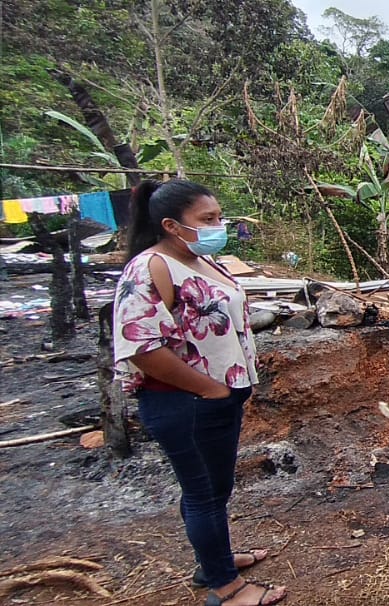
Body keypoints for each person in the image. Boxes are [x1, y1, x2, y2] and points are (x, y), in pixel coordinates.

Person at [112, 180, 285, 606]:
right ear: (171, 225)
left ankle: (214, 563)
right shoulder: (149, 268)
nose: (218, 225)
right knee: (203, 493)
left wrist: (227, 390)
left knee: (213, 489)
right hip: (185, 401)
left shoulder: (202, 261)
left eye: (218, 217)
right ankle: (226, 589)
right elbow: (141, 347)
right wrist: (208, 389)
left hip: (218, 397)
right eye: (207, 219)